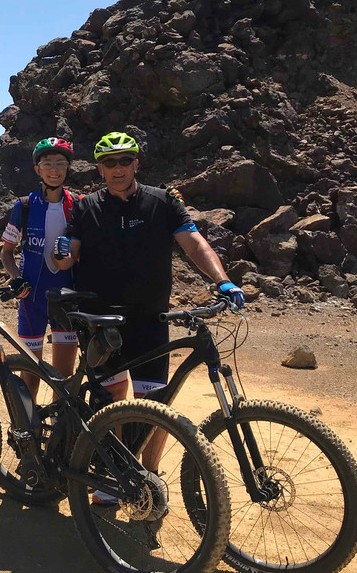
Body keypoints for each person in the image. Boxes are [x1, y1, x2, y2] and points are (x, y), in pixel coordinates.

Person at [53, 130, 244, 400]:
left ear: (136, 164)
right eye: (110, 163)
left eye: (125, 160)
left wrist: (222, 280)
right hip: (101, 322)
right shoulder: (86, 208)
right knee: (109, 400)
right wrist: (59, 255)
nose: (118, 168)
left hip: (150, 320)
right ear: (100, 169)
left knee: (155, 405)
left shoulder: (163, 202)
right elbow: (66, 261)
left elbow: (195, 244)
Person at [0, 138, 80, 397]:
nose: (54, 169)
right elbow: (6, 252)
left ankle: (61, 433)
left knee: (64, 379)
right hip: (31, 300)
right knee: (30, 375)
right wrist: (16, 279)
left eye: (60, 163)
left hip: (67, 301)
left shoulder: (79, 205)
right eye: (47, 163)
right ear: (37, 169)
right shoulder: (23, 206)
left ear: (68, 168)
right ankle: (29, 433)